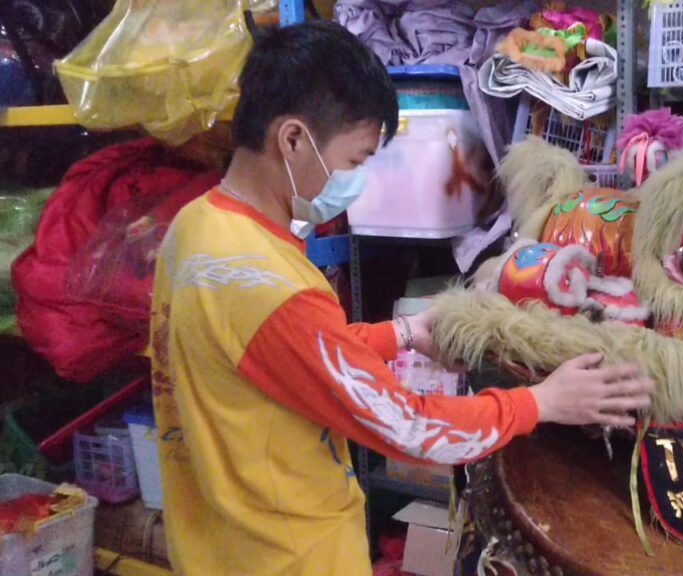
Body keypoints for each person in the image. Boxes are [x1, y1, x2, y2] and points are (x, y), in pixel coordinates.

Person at [148, 20, 655, 576]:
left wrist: (406, 334)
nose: (357, 182)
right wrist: (544, 402)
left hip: (214, 543)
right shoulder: (269, 282)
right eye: (355, 161)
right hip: (289, 555)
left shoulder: (196, 229)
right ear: (292, 139)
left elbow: (281, 354)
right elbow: (409, 427)